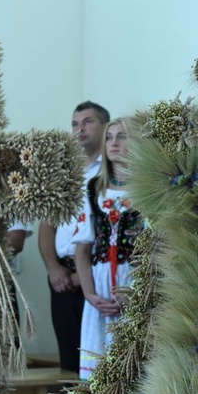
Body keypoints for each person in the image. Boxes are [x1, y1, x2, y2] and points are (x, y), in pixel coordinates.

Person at [38, 101, 110, 373]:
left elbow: (112, 227)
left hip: (98, 273)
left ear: (105, 126)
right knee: (68, 362)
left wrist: (87, 275)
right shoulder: (64, 172)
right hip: (62, 277)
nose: (80, 129)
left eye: (88, 122)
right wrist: (52, 267)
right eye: (75, 123)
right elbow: (48, 223)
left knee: (97, 360)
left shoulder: (113, 169)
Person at [73, 119, 142, 380]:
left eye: (122, 137)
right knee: (97, 367)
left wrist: (135, 294)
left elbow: (156, 249)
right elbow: (82, 248)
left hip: (133, 280)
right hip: (99, 285)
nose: (114, 143)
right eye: (109, 138)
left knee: (131, 369)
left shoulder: (145, 190)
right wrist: (90, 295)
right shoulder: (93, 189)